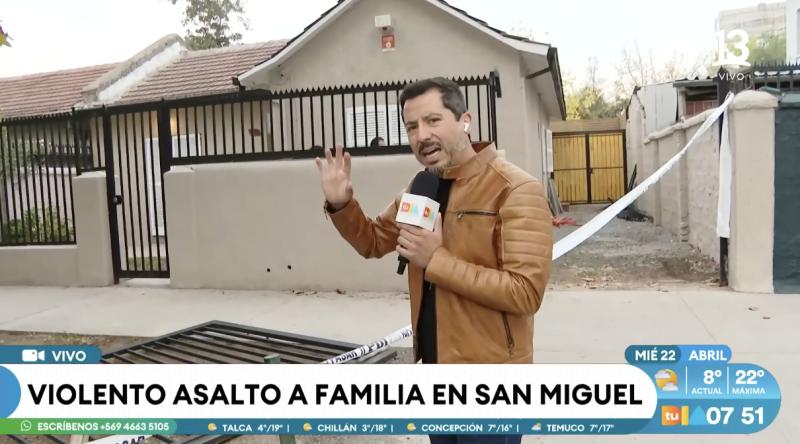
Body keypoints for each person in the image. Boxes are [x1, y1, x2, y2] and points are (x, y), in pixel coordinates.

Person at [315, 77, 553, 444]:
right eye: (412, 126)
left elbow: (525, 293)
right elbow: (374, 241)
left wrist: (436, 260)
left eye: (433, 120)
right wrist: (342, 205)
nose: (421, 135)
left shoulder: (515, 189)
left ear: (465, 120)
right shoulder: (421, 187)